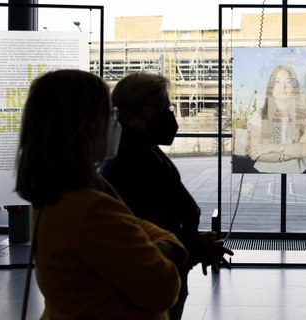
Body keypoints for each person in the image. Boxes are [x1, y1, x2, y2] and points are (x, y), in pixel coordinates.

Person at [14, 69, 188, 320]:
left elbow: (130, 226)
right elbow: (163, 287)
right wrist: (169, 245)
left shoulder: (56, 195)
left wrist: (149, 243)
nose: (113, 123)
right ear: (84, 126)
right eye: (109, 114)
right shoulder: (89, 209)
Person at [99, 71, 234, 320]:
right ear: (129, 116)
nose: (168, 115)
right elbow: (142, 236)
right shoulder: (125, 163)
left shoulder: (143, 149)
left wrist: (192, 243)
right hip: (147, 288)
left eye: (168, 105)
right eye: (159, 107)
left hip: (166, 275)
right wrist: (195, 246)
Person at [247, 64, 306, 173]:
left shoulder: (305, 116)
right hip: (264, 173)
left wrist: (271, 147)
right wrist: (295, 152)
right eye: (277, 82)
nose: (283, 86)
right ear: (271, 87)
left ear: (294, 87)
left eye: (288, 82)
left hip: (301, 173)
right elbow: (255, 155)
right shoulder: (259, 116)